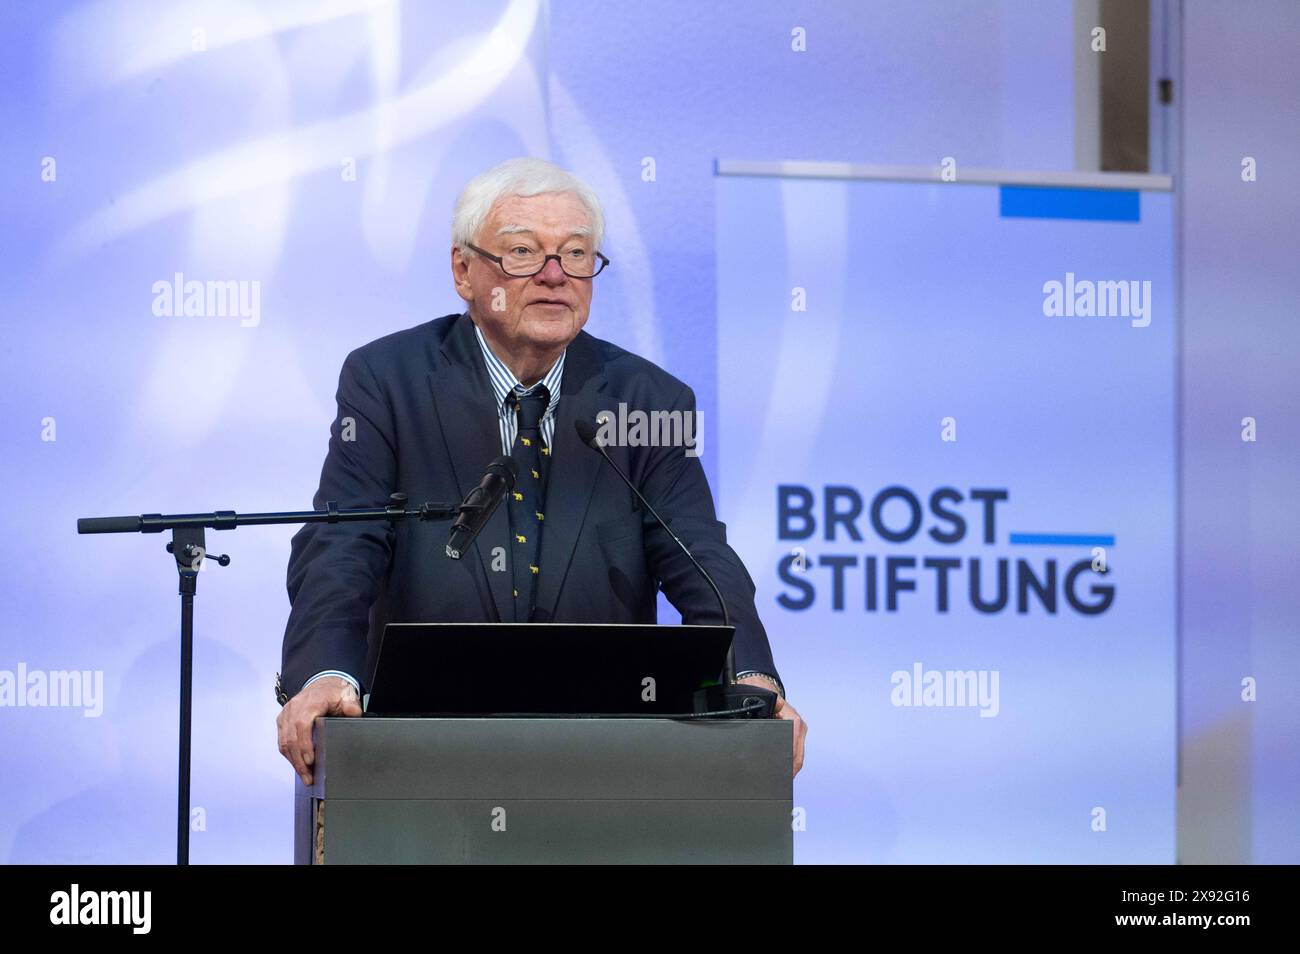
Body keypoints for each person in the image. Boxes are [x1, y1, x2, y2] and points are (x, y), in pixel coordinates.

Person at [276, 157, 806, 783]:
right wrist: (325, 674)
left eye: (578, 255)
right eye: (524, 252)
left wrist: (750, 676)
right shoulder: (387, 381)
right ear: (462, 270)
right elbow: (343, 543)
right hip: (418, 741)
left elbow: (700, 557)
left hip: (605, 750)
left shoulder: (648, 400)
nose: (556, 276)